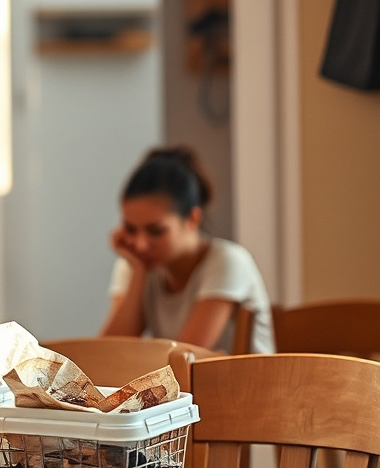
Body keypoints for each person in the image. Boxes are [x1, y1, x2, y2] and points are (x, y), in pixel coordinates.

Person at [100, 146, 274, 354]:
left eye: (155, 231)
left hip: (250, 385)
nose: (140, 244)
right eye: (130, 229)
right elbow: (110, 354)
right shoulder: (136, 263)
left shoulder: (227, 261)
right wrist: (138, 272)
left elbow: (185, 359)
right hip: (192, 386)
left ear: (192, 218)